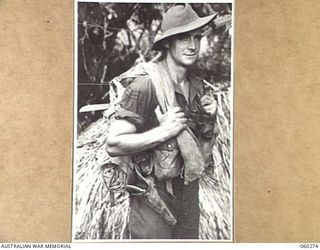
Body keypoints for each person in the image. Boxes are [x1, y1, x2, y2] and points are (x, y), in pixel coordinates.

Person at [106, 4, 217, 239]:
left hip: (188, 192)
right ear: (167, 42)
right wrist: (163, 131)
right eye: (184, 38)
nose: (193, 45)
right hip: (153, 196)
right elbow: (114, 144)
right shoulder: (145, 85)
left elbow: (199, 144)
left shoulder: (197, 87)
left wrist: (209, 117)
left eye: (197, 37)